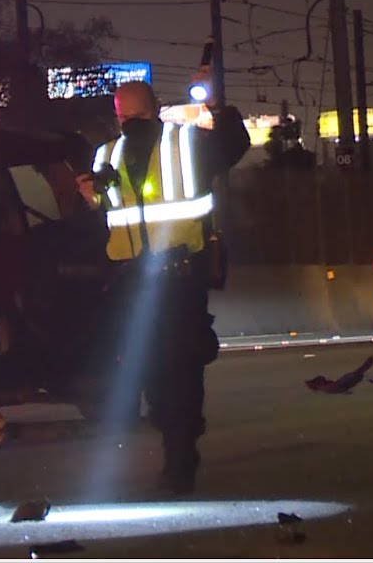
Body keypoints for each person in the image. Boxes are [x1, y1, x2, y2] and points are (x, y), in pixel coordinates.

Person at [74, 81, 249, 494]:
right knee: (164, 370)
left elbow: (232, 142)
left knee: (177, 367)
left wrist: (218, 112)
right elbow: (106, 211)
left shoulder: (184, 144)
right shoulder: (110, 155)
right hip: (139, 279)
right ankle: (179, 441)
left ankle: (180, 453)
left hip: (174, 276)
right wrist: (91, 195)